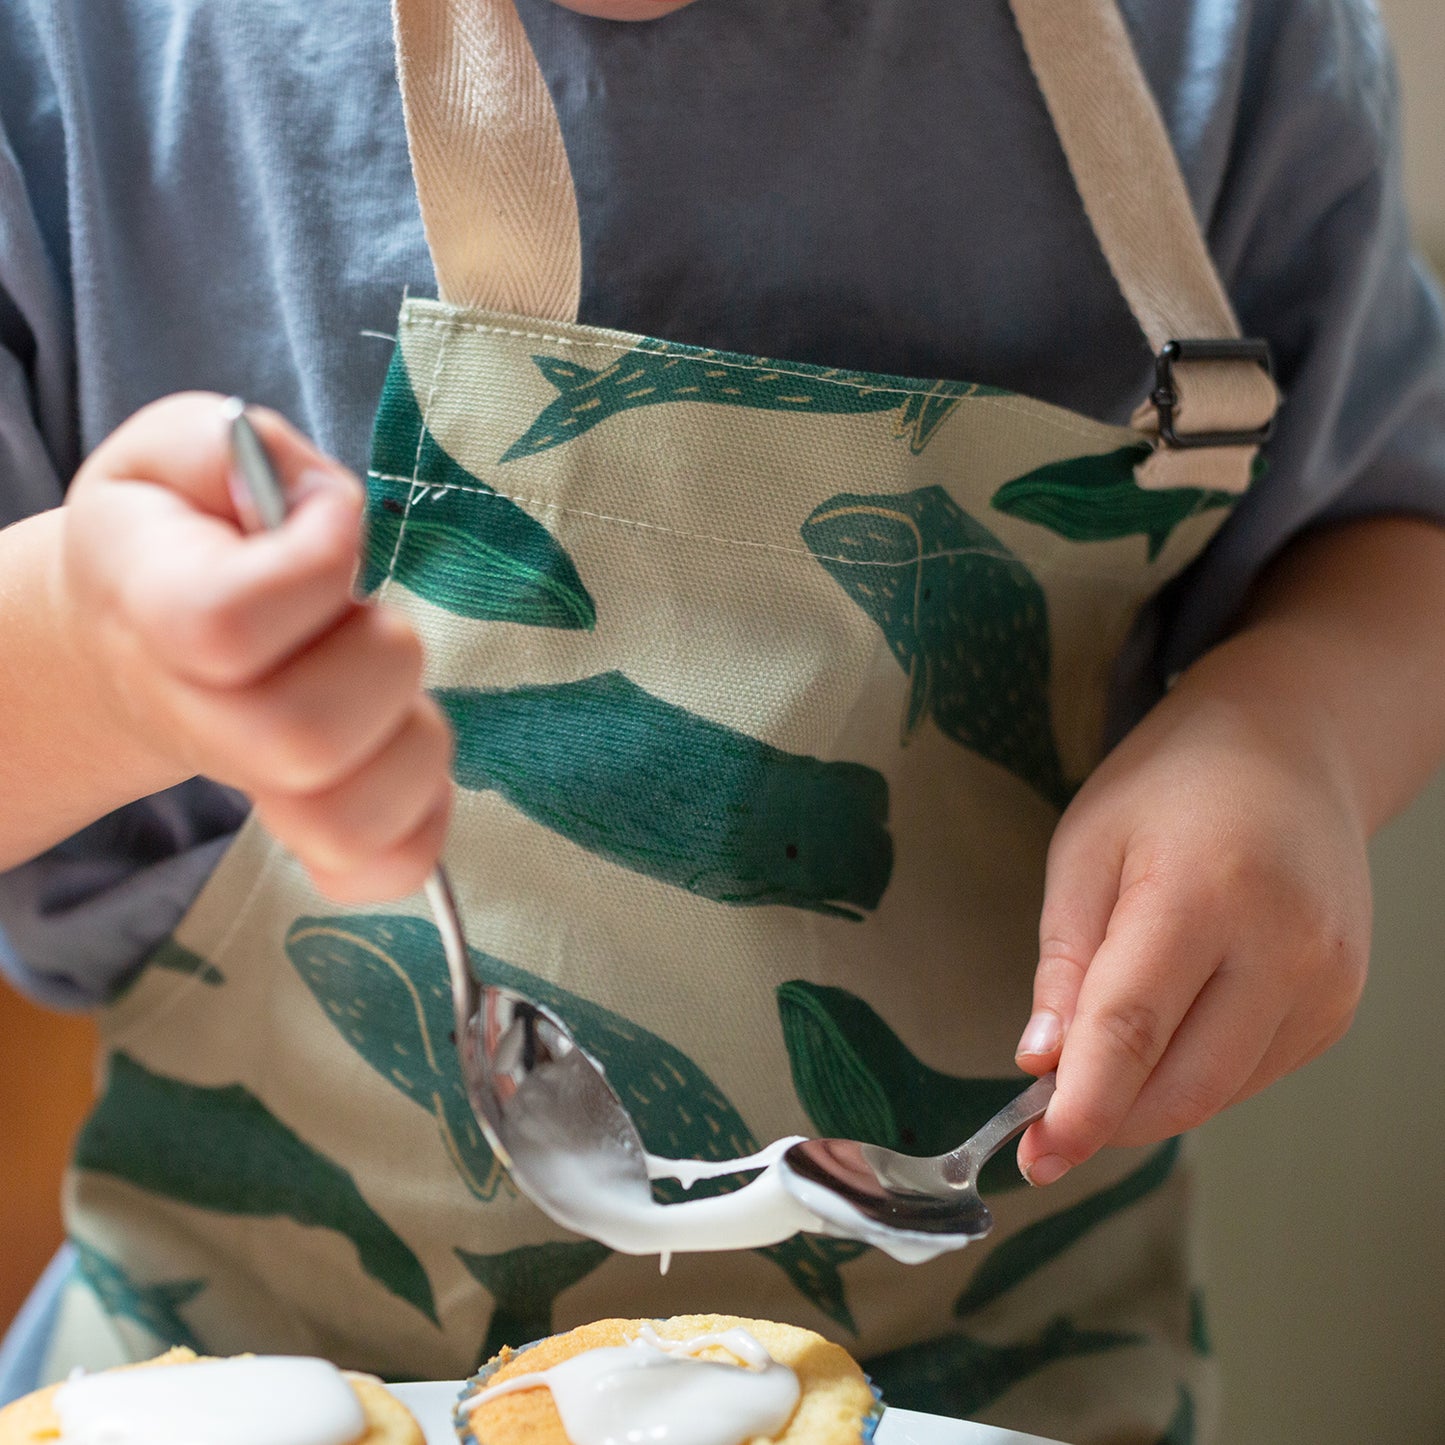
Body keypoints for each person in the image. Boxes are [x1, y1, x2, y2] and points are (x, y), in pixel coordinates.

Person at [1, 0, 1442, 1439]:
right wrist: (97, 649)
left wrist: (1290, 728)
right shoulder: (88, 59)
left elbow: (1393, 519)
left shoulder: (1223, 44)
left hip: (1011, 1372)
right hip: (229, 1378)